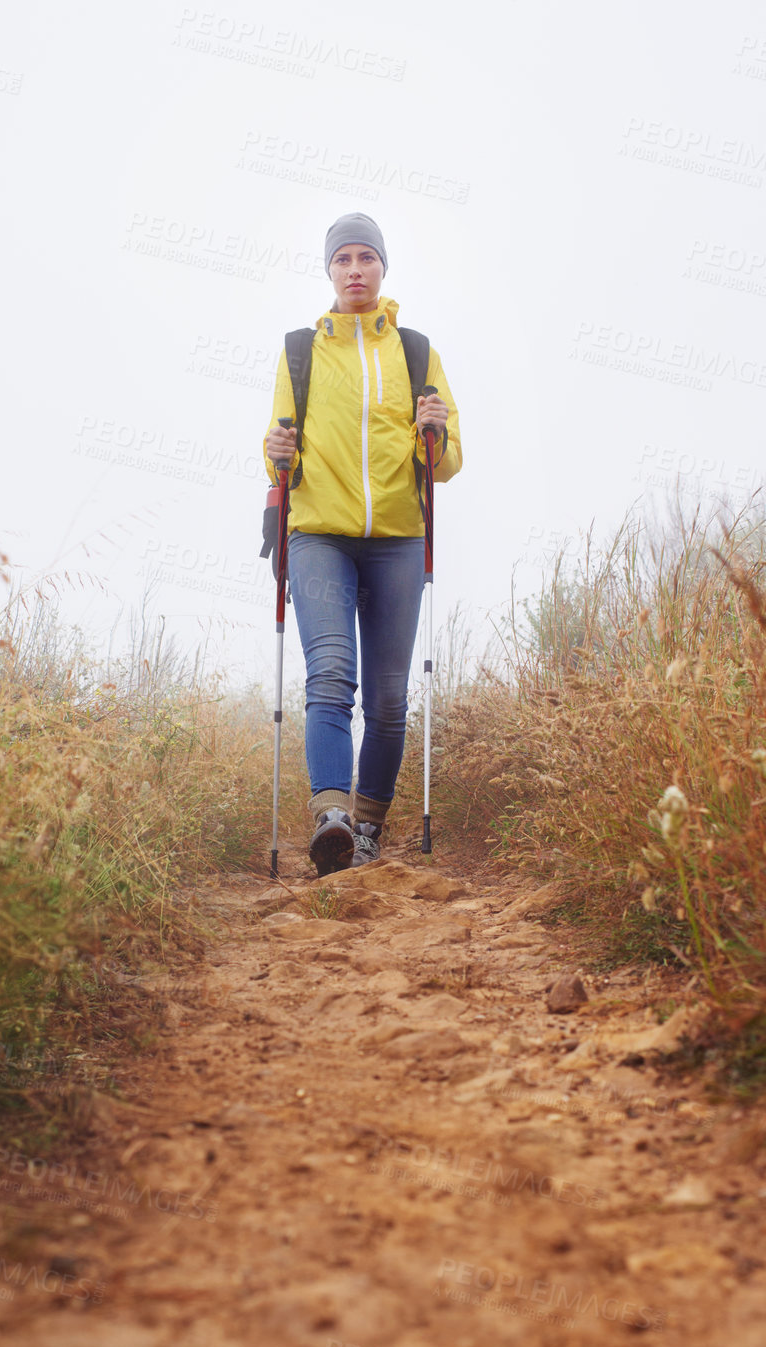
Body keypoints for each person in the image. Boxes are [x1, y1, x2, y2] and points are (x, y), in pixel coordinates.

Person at [263, 212, 462, 877]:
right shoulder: (300, 351)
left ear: (382, 268)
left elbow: (448, 460)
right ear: (328, 271)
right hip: (319, 532)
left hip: (398, 539)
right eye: (342, 259)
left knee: (386, 696)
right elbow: (279, 454)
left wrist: (432, 432)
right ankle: (331, 820)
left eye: (365, 258)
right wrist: (274, 454)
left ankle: (369, 825)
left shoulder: (414, 352)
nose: (354, 269)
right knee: (330, 674)